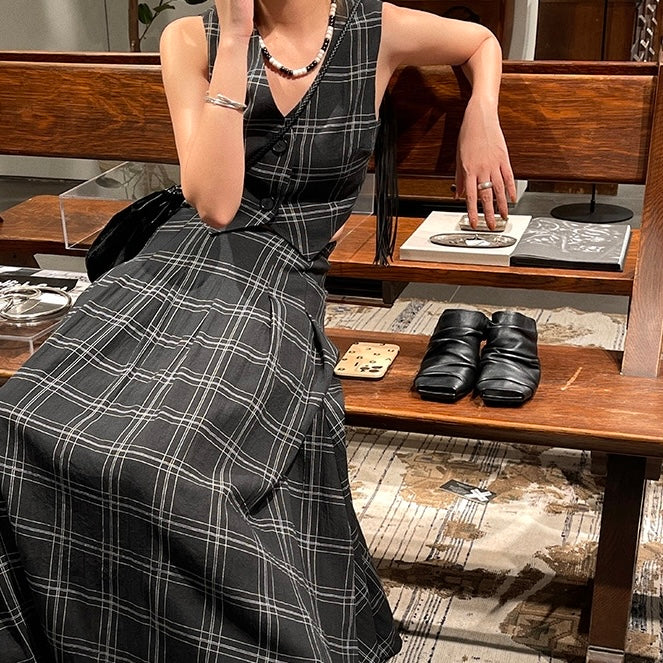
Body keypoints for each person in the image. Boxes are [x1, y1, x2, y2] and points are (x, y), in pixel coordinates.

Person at [0, 0, 514, 660]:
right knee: (18, 419)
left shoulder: (375, 27)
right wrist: (236, 40)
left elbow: (479, 41)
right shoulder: (192, 38)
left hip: (280, 277)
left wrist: (481, 114)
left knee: (161, 465)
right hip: (181, 256)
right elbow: (214, 205)